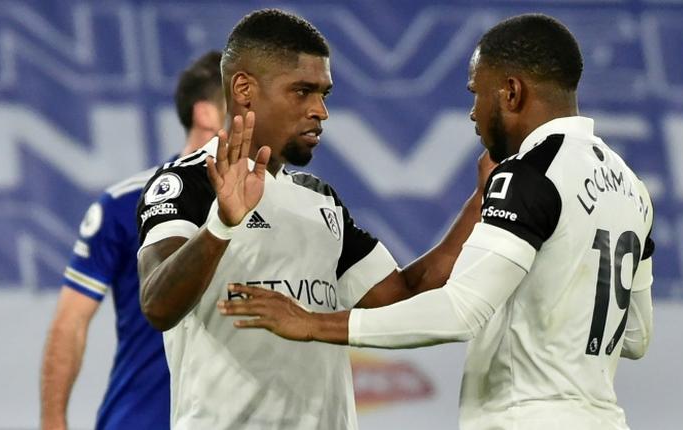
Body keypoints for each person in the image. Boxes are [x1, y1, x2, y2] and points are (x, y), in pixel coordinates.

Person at [224, 13, 656, 430]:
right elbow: (635, 336)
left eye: (477, 93)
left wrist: (311, 323)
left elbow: (460, 312)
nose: (473, 112)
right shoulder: (631, 187)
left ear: (511, 92)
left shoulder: (529, 172)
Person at [135, 8, 491, 430]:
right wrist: (221, 227)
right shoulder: (188, 183)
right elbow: (157, 305)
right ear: (245, 88)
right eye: (302, 91)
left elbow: (402, 296)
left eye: (324, 94)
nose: (320, 111)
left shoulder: (318, 199)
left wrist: (482, 198)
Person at [40, 51, 226, 430]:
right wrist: (52, 422)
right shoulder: (125, 203)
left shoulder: (279, 205)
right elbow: (71, 321)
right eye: (244, 106)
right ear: (206, 113)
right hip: (142, 420)